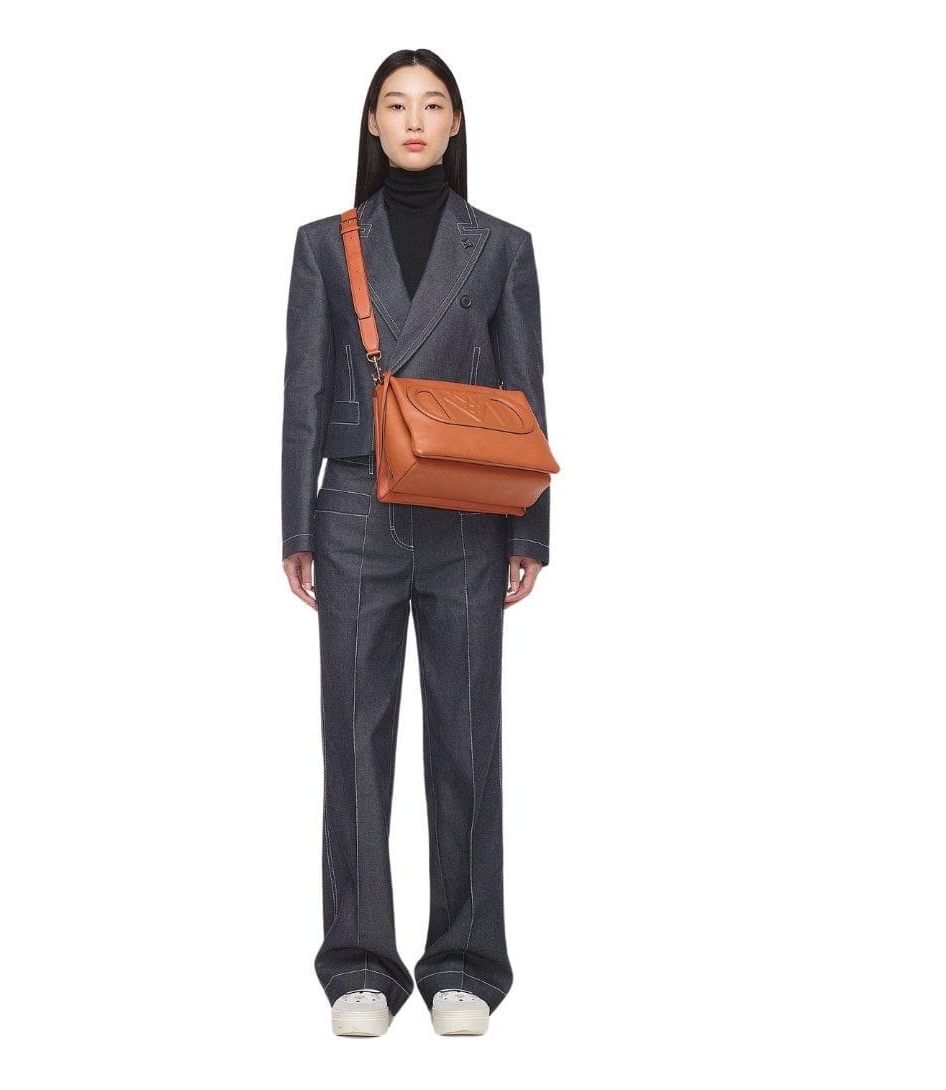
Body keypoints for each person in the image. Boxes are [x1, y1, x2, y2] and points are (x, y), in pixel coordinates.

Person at [280, 49, 551, 1037]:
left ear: (455, 123)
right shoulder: (324, 245)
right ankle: (358, 965)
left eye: (432, 105)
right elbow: (303, 389)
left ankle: (465, 965)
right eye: (395, 104)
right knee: (354, 739)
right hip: (354, 508)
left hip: (470, 518)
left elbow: (524, 391)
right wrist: (295, 522)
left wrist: (530, 527)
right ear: (371, 122)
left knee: (467, 736)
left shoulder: (502, 247)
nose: (413, 119)